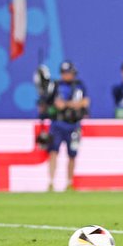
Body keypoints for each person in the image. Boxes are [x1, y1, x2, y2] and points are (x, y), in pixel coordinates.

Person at [47, 61, 90, 192]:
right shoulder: (55, 86)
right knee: (53, 152)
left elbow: (84, 102)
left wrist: (66, 104)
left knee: (72, 154)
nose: (69, 76)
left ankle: (70, 182)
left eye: (70, 73)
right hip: (58, 124)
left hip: (74, 124)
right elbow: (52, 103)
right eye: (66, 73)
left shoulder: (79, 86)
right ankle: (51, 182)